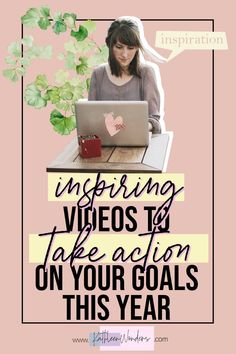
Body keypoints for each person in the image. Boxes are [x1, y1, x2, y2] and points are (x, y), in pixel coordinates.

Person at [88, 16, 166, 134]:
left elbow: (154, 119)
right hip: (105, 144)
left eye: (131, 48)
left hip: (137, 143)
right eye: (119, 47)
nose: (125, 54)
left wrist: (138, 127)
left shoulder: (147, 73)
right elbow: (90, 117)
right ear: (110, 45)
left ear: (137, 48)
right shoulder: (98, 74)